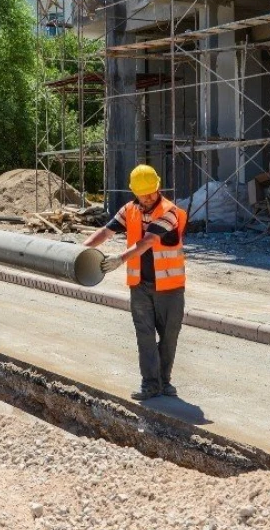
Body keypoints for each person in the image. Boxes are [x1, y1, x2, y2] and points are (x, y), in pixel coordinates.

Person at [84, 164, 188, 400]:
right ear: (135, 193)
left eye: (152, 191)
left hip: (170, 288)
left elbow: (148, 241)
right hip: (140, 285)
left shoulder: (168, 211)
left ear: (158, 186)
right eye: (144, 193)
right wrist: (79, 251)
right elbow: (105, 232)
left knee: (169, 335)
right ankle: (150, 385)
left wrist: (120, 259)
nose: (149, 196)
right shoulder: (129, 210)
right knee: (145, 335)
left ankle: (164, 381)